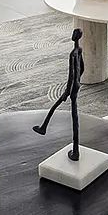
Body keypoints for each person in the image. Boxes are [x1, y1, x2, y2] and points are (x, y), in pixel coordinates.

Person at [32, 28, 84, 160]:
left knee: (74, 115)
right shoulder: (79, 50)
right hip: (76, 84)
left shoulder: (73, 53)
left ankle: (76, 151)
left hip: (72, 88)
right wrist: (79, 81)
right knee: (60, 106)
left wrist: (67, 90)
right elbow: (82, 68)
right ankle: (43, 127)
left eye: (74, 34)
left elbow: (71, 73)